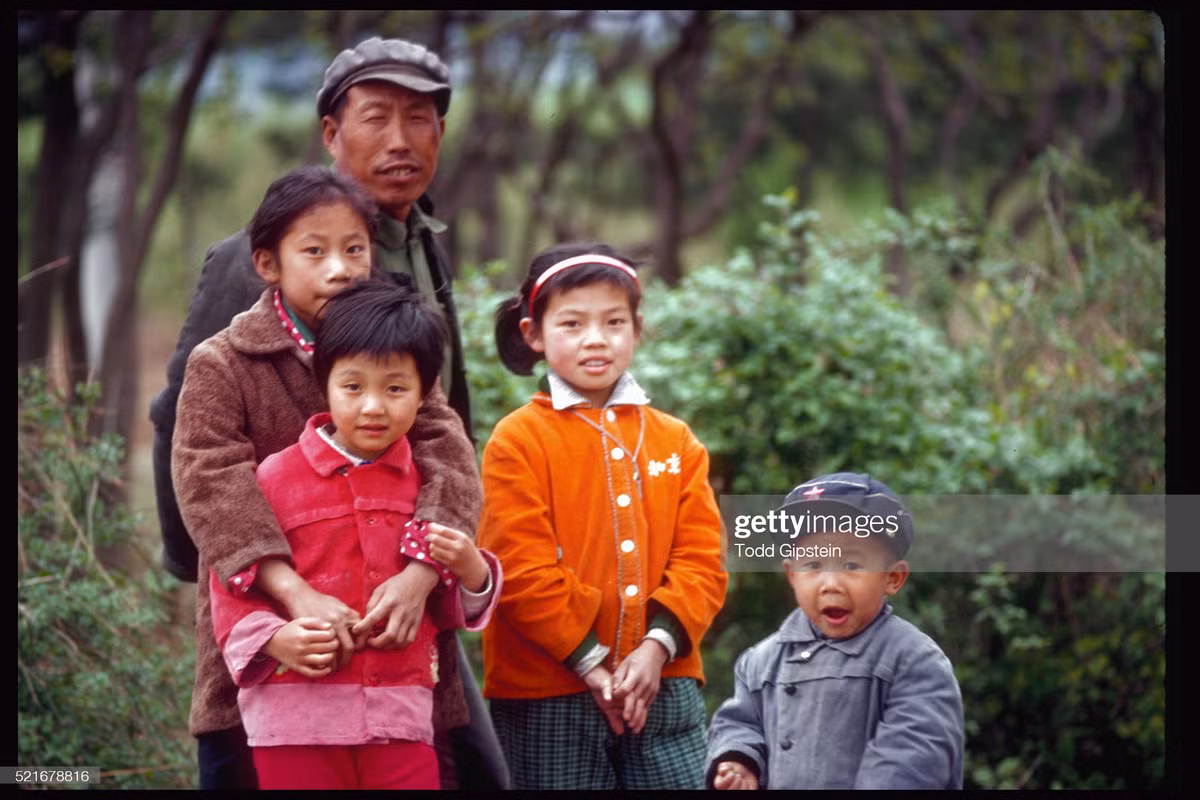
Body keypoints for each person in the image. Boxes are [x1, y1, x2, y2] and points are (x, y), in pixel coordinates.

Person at [148, 37, 508, 789]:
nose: (402, 139)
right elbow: (194, 449)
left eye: (421, 119)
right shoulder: (244, 286)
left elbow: (445, 439)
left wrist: (419, 573)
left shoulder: (414, 242)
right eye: (377, 117)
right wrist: (234, 576)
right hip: (280, 615)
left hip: (395, 607)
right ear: (332, 131)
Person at [207, 278, 502, 789]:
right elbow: (231, 580)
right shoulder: (274, 479)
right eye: (353, 387)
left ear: (425, 392)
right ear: (324, 384)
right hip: (293, 719)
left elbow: (447, 611)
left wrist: (473, 571)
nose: (372, 406)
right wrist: (275, 639)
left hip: (400, 718)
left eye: (394, 388)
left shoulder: (428, 489)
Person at [477, 242, 728, 789]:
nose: (596, 338)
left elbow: (703, 562)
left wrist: (656, 649)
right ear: (533, 335)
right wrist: (590, 662)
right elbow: (518, 568)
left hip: (663, 683)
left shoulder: (676, 441)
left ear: (637, 328)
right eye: (572, 323)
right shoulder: (517, 441)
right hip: (547, 694)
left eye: (614, 322)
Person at [706, 472, 964, 790]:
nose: (830, 584)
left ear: (893, 578)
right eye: (813, 565)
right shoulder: (760, 663)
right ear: (791, 575)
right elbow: (739, 723)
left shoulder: (913, 661)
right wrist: (738, 762)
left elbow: (911, 762)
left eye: (852, 566)